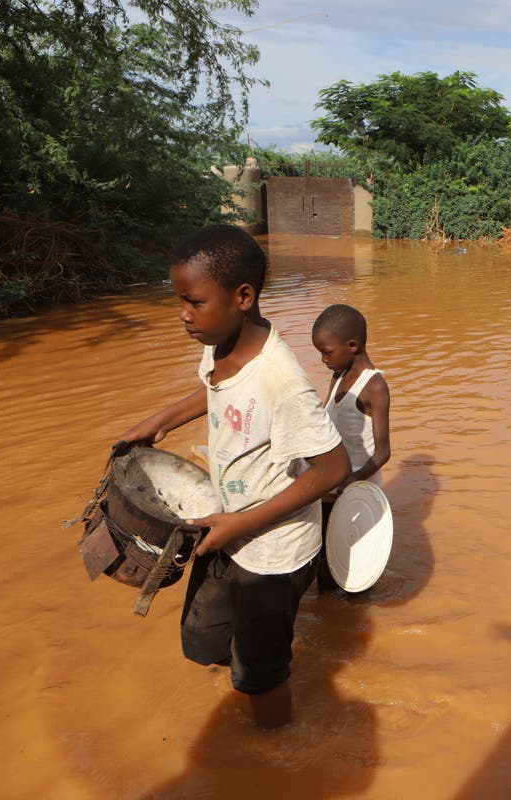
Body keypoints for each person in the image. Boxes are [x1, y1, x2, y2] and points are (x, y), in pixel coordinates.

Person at [115, 224, 351, 729]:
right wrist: (157, 421)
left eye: (193, 302)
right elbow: (214, 388)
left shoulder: (282, 380)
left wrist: (240, 525)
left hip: (273, 549)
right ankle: (245, 672)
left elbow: (334, 468)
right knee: (203, 642)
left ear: (243, 296)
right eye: (179, 300)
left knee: (261, 672)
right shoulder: (219, 342)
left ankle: (274, 751)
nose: (183, 314)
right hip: (226, 525)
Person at [310, 303, 391, 590]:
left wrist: (352, 479)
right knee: (326, 566)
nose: (323, 360)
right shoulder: (338, 375)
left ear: (352, 345)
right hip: (330, 488)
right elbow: (323, 421)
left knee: (356, 572)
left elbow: (383, 452)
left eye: (327, 352)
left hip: (356, 492)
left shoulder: (375, 387)